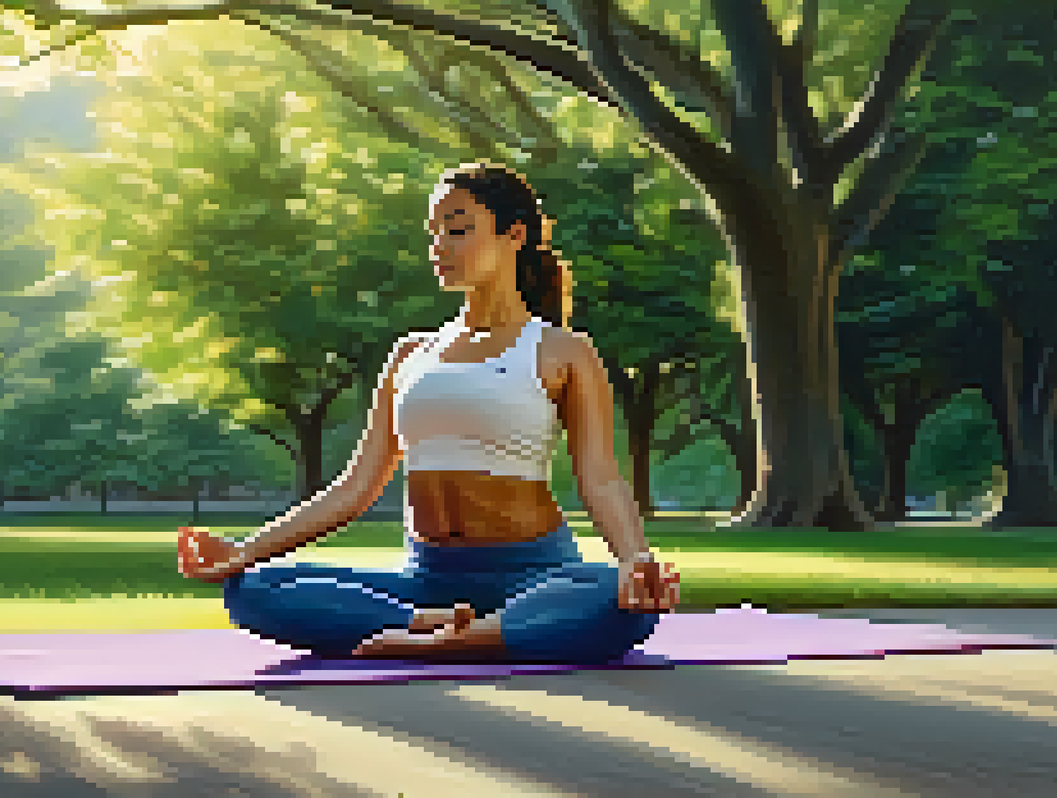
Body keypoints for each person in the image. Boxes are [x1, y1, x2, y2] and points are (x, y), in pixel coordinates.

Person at [177, 162, 680, 661]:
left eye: (458, 230)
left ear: (515, 235)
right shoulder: (410, 354)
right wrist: (245, 550)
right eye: (434, 232)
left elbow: (601, 478)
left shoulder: (563, 351)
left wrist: (635, 561)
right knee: (254, 588)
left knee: (619, 597)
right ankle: (436, 627)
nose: (440, 246)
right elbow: (355, 488)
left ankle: (452, 640)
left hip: (536, 574)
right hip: (427, 579)